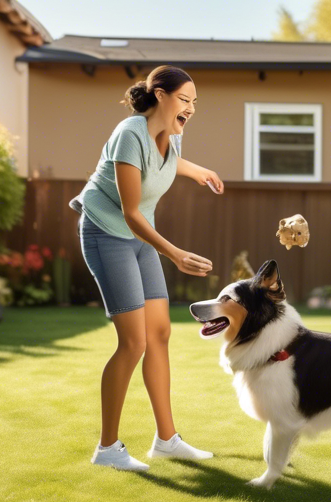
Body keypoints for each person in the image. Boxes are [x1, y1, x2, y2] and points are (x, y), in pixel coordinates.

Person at [69, 65, 224, 471]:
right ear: (159, 95)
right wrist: (175, 254)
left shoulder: (171, 136)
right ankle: (107, 449)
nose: (190, 108)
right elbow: (131, 211)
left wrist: (199, 171)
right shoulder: (129, 134)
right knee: (133, 342)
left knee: (159, 333)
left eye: (194, 103)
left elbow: (169, 162)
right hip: (107, 234)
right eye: (185, 99)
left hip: (139, 239)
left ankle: (167, 439)